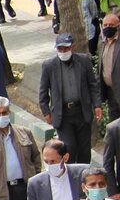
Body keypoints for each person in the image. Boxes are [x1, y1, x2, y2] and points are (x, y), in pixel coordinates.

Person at [39, 32, 101, 162]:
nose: (63, 51)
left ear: (72, 47)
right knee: (69, 148)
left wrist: (97, 105)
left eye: (66, 48)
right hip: (63, 115)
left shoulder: (83, 61)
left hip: (81, 112)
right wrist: (46, 111)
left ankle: (84, 177)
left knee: (84, 150)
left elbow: (93, 85)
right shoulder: (49, 66)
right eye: (60, 49)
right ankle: (70, 177)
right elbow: (43, 91)